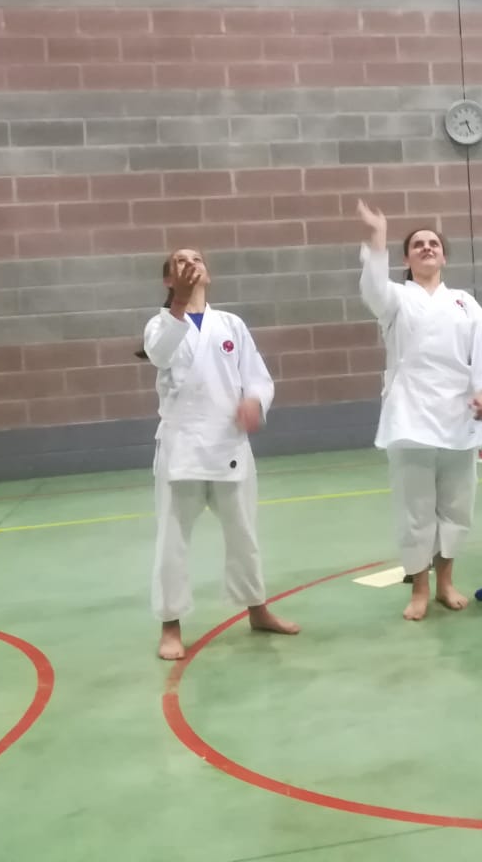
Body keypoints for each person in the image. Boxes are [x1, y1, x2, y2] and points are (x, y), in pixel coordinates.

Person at [356, 201, 482, 620]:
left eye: (434, 244)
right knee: (415, 510)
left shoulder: (465, 303)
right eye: (418, 245)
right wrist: (378, 235)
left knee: (457, 508)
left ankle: (445, 581)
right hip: (409, 418)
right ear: (406, 260)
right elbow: (372, 287)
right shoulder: (394, 298)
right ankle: (420, 588)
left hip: (459, 416)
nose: (427, 248)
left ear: (444, 257)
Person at [140, 248, 299, 661]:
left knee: (244, 535)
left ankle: (257, 609)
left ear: (208, 273)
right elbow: (159, 354)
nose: (191, 263)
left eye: (197, 258)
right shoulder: (159, 324)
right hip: (182, 448)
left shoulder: (231, 324)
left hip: (229, 443)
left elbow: (258, 378)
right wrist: (179, 302)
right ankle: (170, 625)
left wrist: (254, 401)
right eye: (180, 261)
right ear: (168, 280)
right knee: (172, 542)